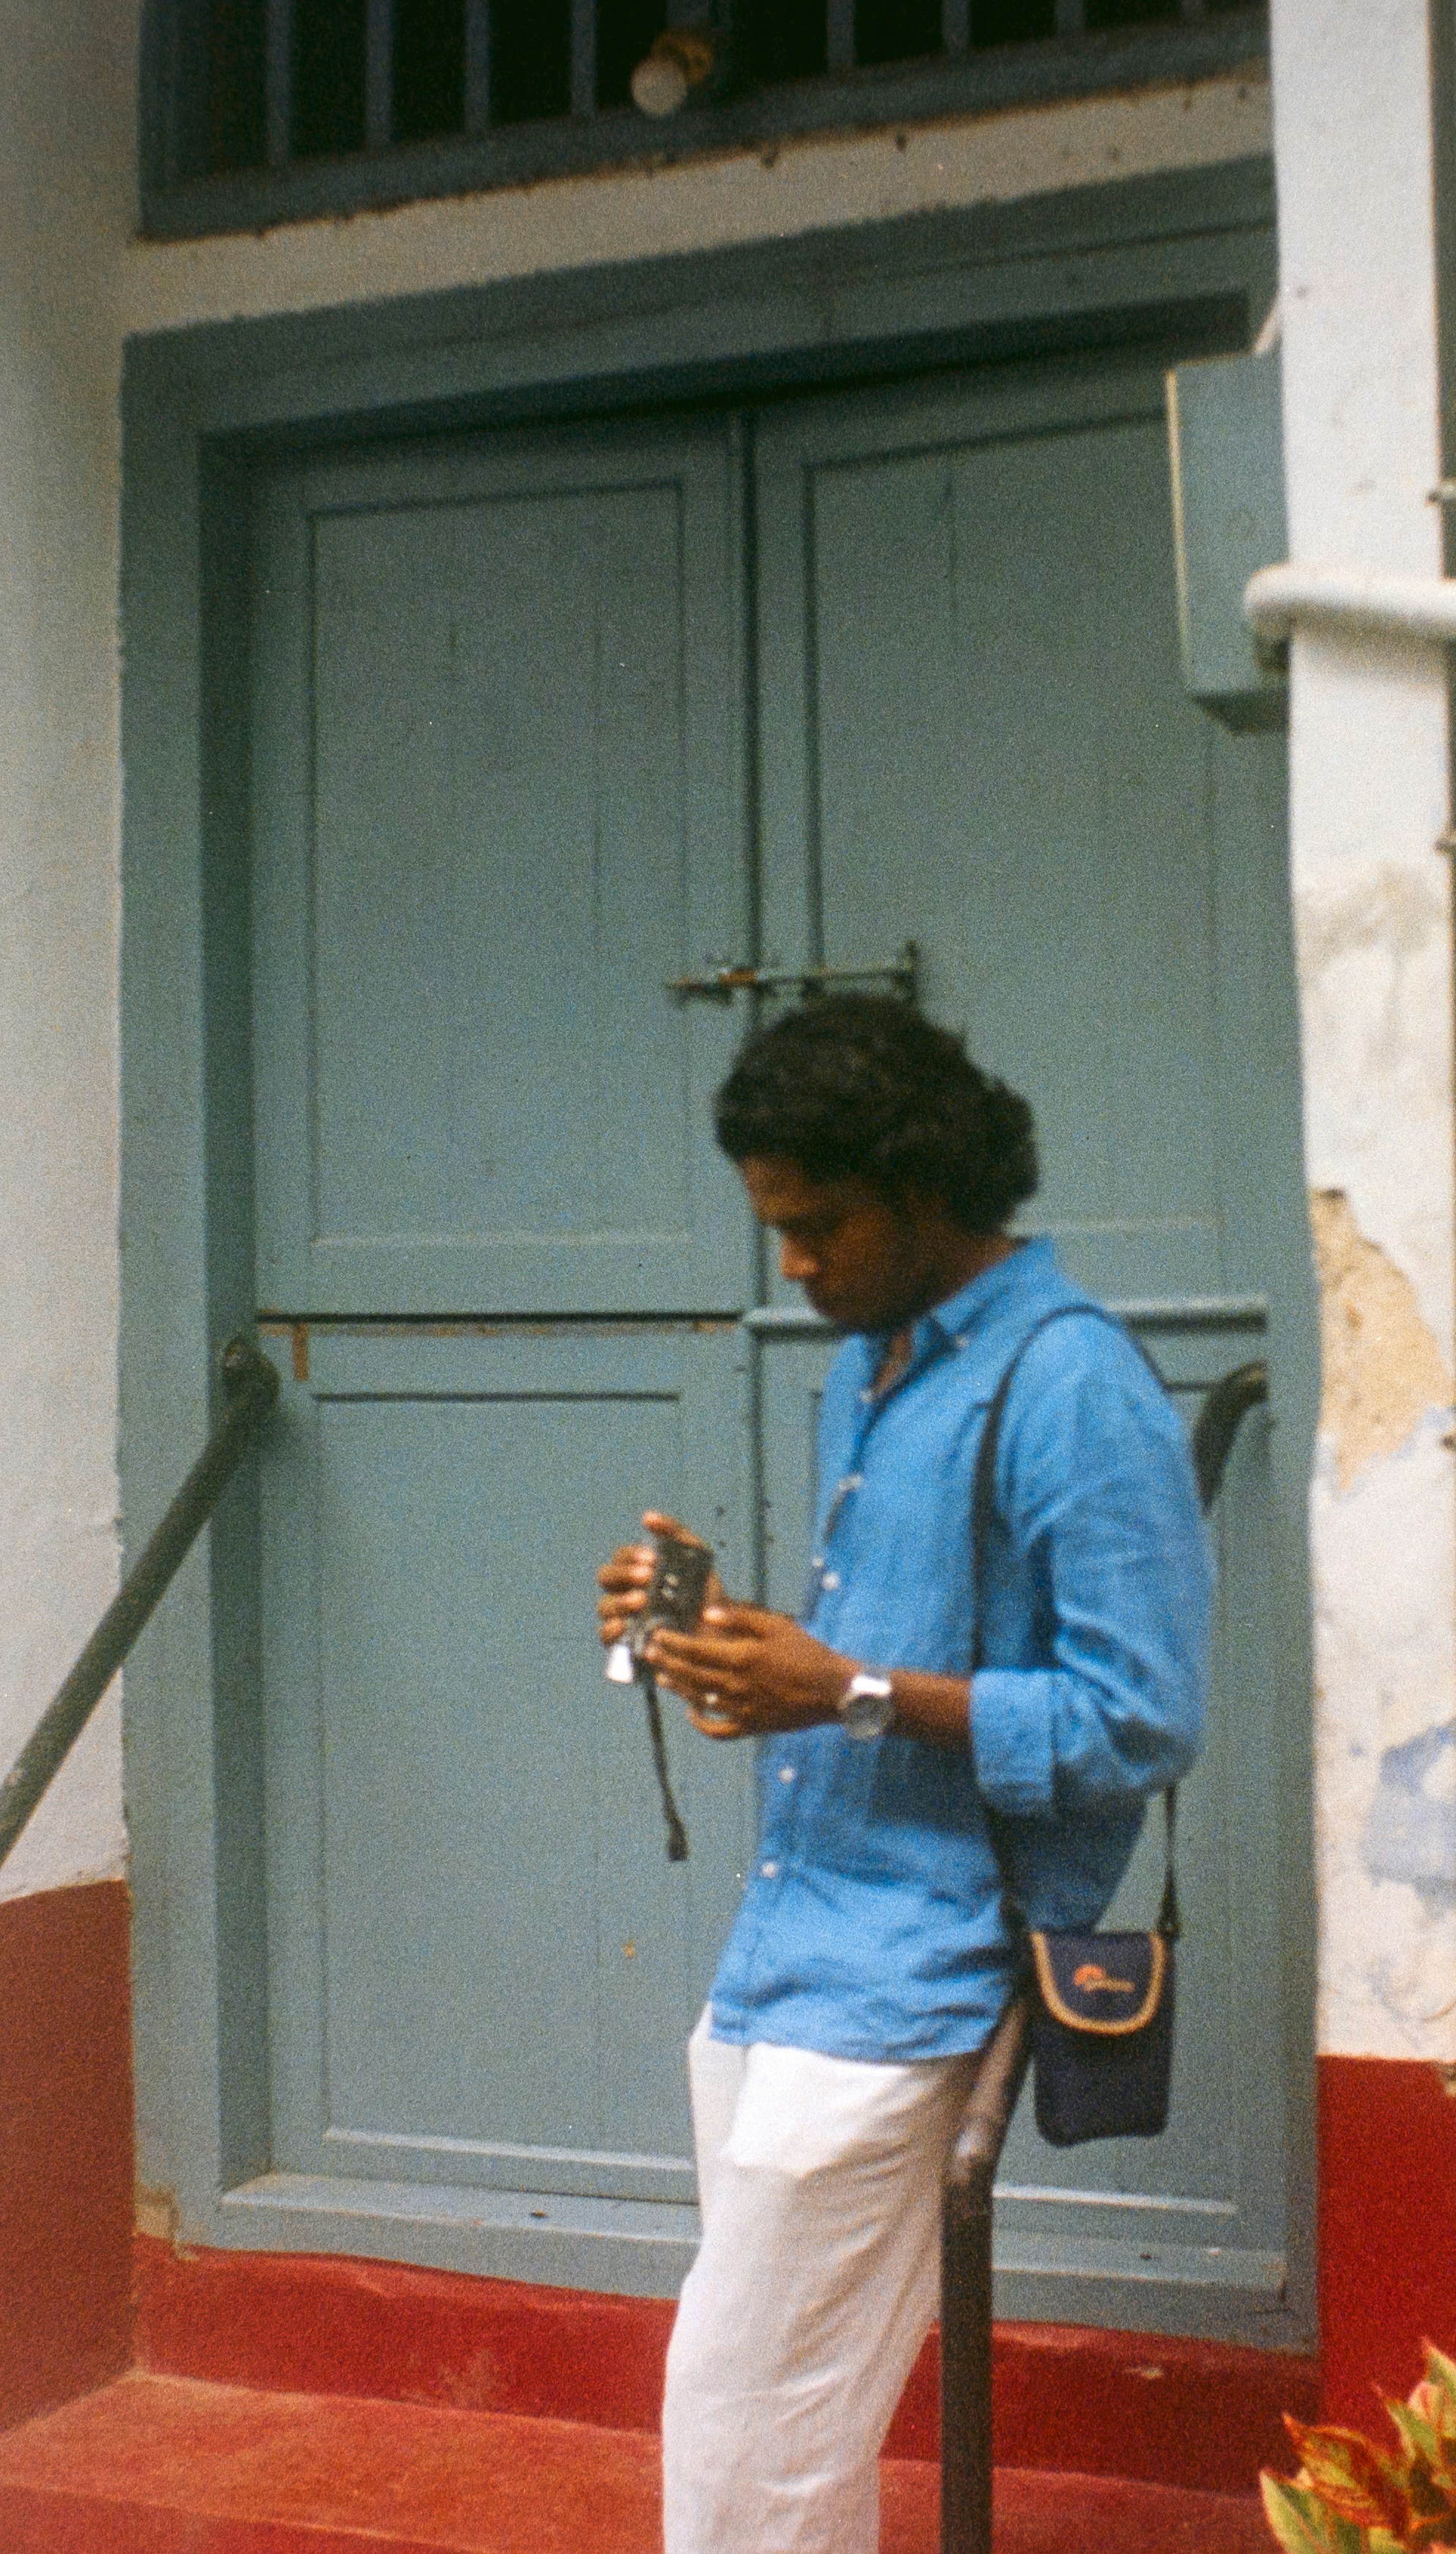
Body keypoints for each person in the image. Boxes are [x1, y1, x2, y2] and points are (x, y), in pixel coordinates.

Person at [594, 993, 1208, 2554]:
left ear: (928, 1183)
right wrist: (742, 1655)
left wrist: (848, 1687)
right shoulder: (875, 1367)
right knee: (770, 2427)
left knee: (748, 2422)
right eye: (774, 1228)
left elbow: (1138, 1719)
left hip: (924, 1959)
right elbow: (876, 1669)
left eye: (820, 1225)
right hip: (788, 1948)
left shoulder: (1072, 1382)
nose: (792, 1265)